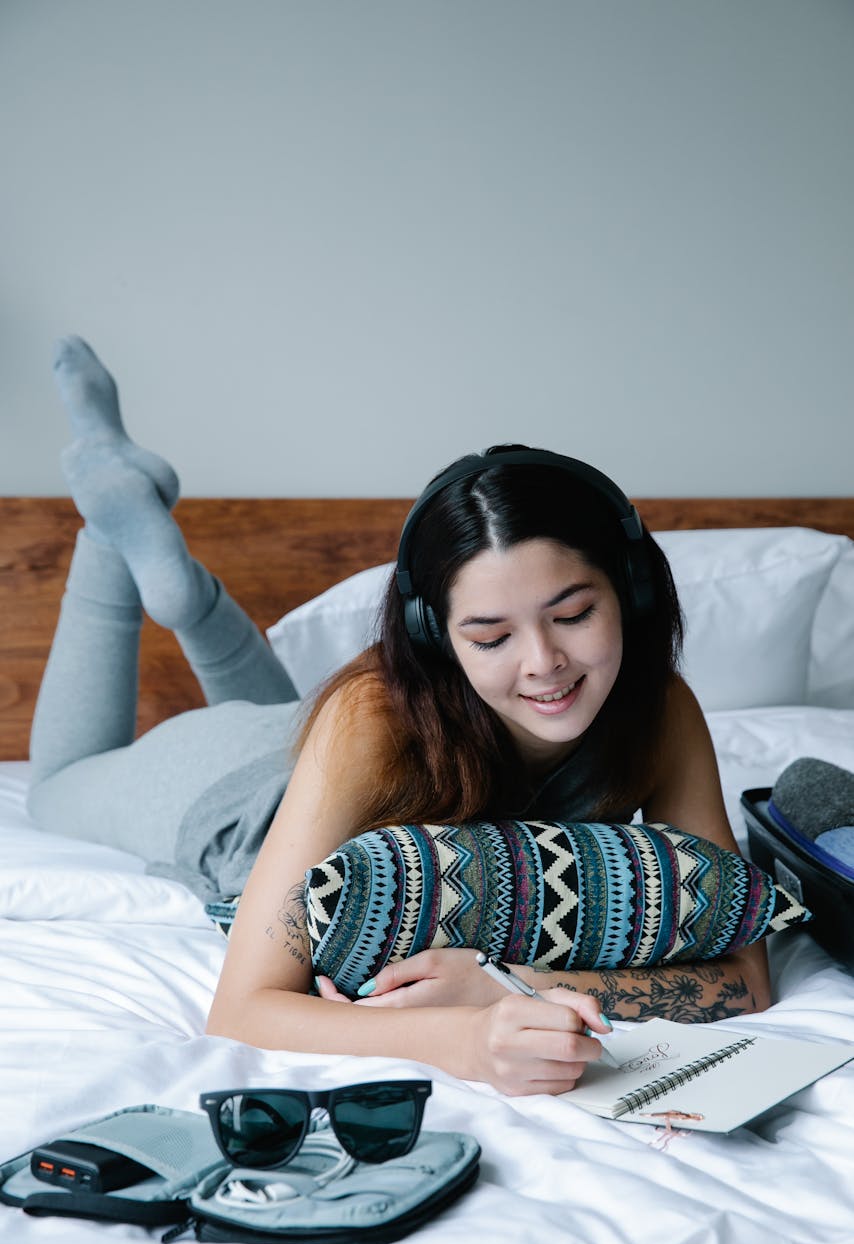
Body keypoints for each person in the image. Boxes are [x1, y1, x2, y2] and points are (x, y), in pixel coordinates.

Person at [30, 336, 770, 1098]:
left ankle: (191, 602)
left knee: (298, 716)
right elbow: (241, 1010)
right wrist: (465, 1035)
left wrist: (512, 982)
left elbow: (746, 974)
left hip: (332, 756)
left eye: (574, 614)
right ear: (435, 639)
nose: (543, 661)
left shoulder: (660, 707)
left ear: (634, 593)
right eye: (491, 637)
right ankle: (107, 524)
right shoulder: (368, 716)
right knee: (56, 786)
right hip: (235, 789)